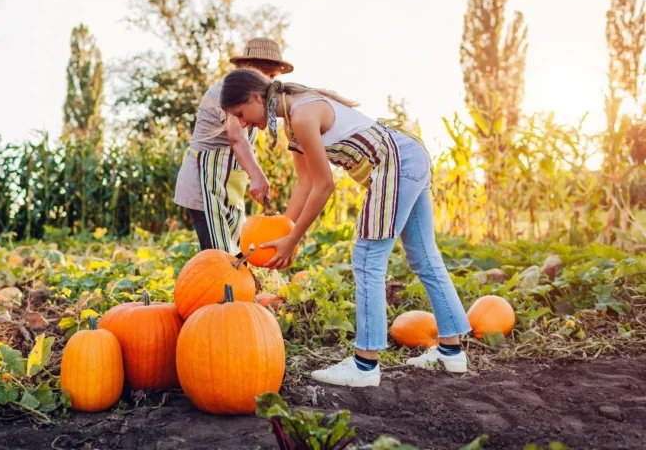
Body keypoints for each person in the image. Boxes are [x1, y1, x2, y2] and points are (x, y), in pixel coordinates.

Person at [218, 68, 472, 387]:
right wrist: (283, 234)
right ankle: (451, 351)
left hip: (395, 164)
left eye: (241, 114)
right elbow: (306, 182)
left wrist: (293, 239)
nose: (242, 123)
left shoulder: (302, 114)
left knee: (367, 259)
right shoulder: (294, 123)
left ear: (256, 97)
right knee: (424, 257)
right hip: (409, 155)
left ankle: (364, 367)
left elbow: (325, 186)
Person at [174, 38, 294, 256]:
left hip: (229, 185)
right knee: (217, 256)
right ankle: (218, 290)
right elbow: (236, 137)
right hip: (205, 183)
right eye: (263, 72)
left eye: (273, 76)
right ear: (247, 68)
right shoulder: (230, 92)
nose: (268, 80)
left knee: (239, 252)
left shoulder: (254, 98)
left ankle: (242, 290)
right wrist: (258, 176)